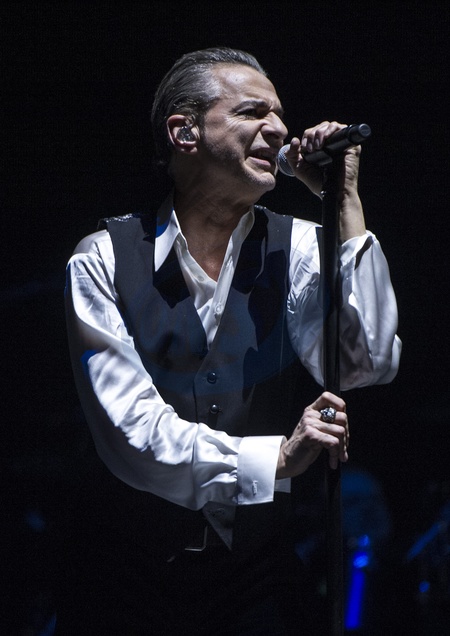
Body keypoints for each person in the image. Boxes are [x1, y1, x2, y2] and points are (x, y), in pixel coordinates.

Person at [58, 47, 401, 635]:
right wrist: (278, 459)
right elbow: (130, 432)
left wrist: (342, 201)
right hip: (124, 582)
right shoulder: (103, 260)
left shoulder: (297, 246)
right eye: (252, 112)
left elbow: (364, 360)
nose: (280, 129)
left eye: (280, 115)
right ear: (185, 132)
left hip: (257, 580)